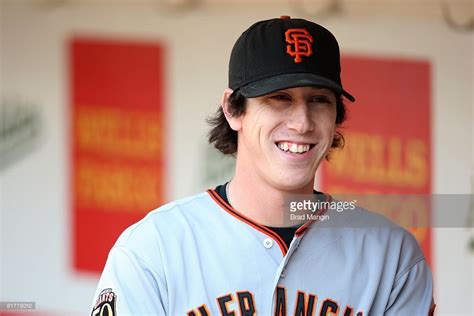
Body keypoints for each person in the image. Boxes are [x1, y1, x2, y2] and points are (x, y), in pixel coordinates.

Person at [91, 16, 435, 316]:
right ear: (232, 109)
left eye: (319, 100)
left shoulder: (392, 255)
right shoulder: (154, 250)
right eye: (279, 98)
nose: (302, 123)